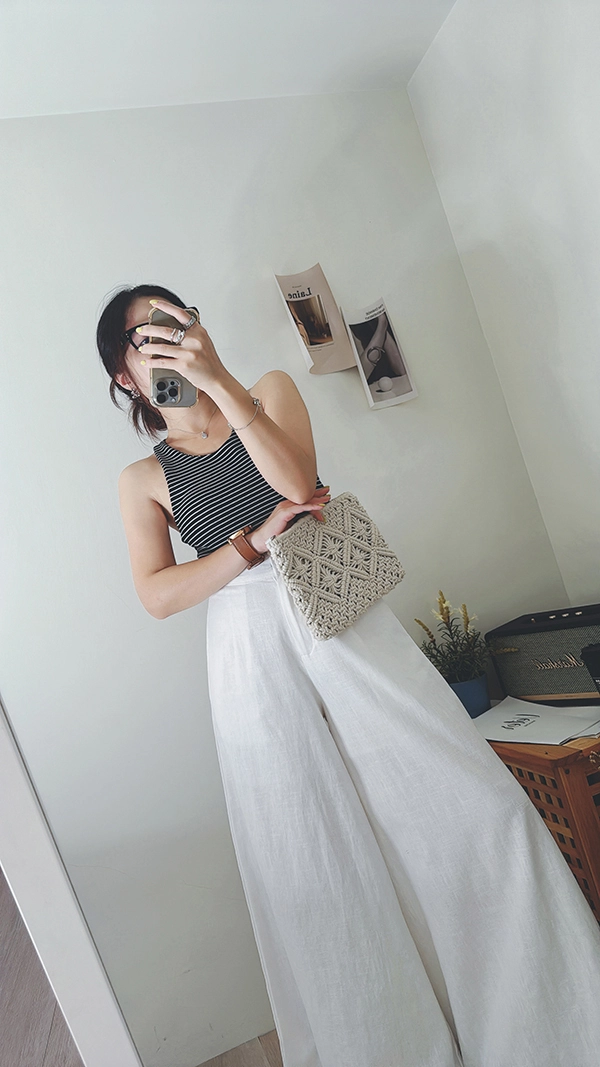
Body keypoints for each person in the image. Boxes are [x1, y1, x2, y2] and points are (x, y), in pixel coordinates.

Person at [97, 283, 600, 1067]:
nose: (167, 336)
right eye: (145, 335)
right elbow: (159, 595)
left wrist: (218, 379)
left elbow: (300, 486)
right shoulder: (142, 478)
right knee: (307, 849)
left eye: (176, 319)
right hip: (246, 640)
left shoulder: (264, 390)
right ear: (124, 376)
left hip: (334, 597)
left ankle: (538, 1031)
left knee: (465, 801)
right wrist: (247, 544)